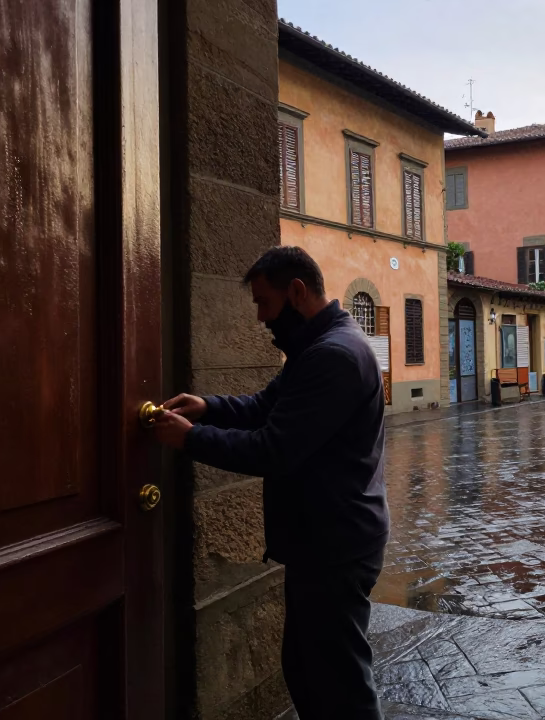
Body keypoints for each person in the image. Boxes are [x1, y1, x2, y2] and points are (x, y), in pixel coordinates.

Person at [150, 246, 388, 719]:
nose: (261, 318)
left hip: (336, 546)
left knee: (340, 686)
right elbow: (265, 406)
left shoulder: (334, 356)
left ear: (296, 292)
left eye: (264, 302)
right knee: (306, 670)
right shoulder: (317, 347)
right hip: (324, 541)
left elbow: (273, 449)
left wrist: (192, 439)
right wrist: (209, 407)